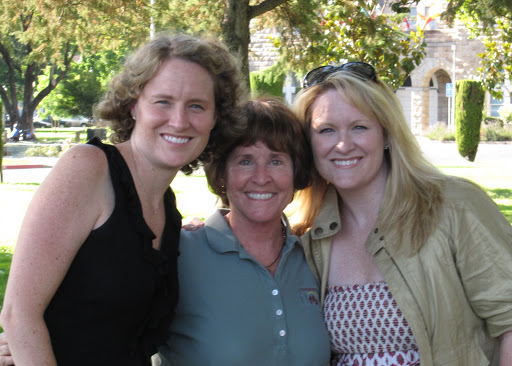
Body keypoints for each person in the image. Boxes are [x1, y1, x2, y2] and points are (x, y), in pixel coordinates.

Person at [0, 33, 244, 366]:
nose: (179, 120)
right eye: (163, 101)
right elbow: (18, 315)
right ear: (133, 104)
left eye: (197, 106)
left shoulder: (169, 211)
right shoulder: (89, 168)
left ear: (215, 118)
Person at [292, 62, 512, 365]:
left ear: (386, 134)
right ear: (309, 144)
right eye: (326, 130)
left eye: (359, 127)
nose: (343, 144)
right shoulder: (308, 236)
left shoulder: (454, 206)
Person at [156, 97, 331, 366]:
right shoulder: (179, 253)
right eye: (245, 161)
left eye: (276, 161)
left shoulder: (315, 257)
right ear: (222, 174)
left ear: (296, 172)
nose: (261, 177)